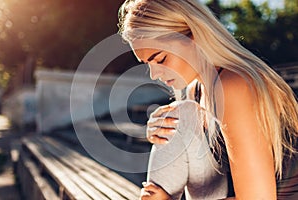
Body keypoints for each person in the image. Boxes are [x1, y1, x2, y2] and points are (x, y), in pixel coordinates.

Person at [117, 0, 298, 199]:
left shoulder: (234, 85)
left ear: (194, 36)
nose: (153, 74)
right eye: (147, 63)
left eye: (160, 59)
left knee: (181, 117)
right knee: (177, 120)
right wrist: (160, 132)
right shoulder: (197, 90)